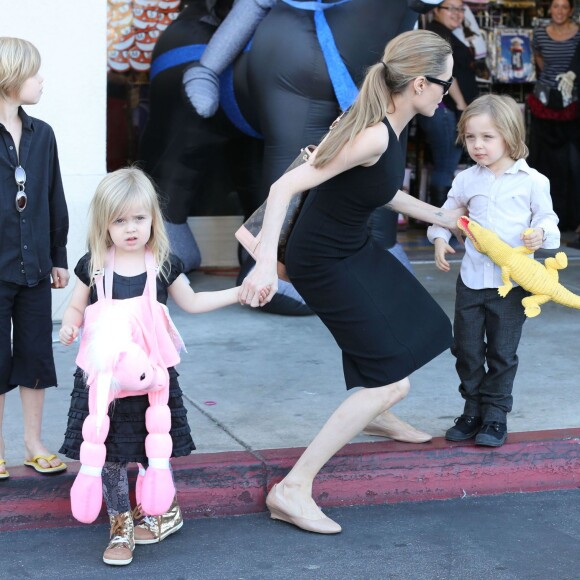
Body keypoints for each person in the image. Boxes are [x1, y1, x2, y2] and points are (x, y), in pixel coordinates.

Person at [239, 29, 466, 534]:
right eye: (447, 84)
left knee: (424, 328)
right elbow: (283, 187)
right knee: (391, 378)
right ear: (420, 84)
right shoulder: (373, 133)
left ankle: (374, 409)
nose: (450, 93)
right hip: (323, 260)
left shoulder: (395, 121)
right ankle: (292, 489)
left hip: (352, 247)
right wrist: (262, 263)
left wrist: (447, 218)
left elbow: (379, 189)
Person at [58, 167, 244, 566]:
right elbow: (76, 305)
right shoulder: (94, 265)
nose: (130, 228)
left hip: (150, 382)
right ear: (104, 224)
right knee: (108, 455)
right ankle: (120, 525)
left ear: (153, 220)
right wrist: (72, 325)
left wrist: (238, 292)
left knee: (149, 449)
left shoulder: (162, 263)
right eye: (119, 220)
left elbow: (192, 302)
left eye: (139, 218)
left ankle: (164, 511)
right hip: (104, 384)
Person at [427, 94, 560, 448]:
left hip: (512, 285)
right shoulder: (467, 180)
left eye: (488, 137)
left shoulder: (532, 181)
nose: (477, 145)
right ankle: (472, 409)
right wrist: (440, 237)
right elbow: (445, 214)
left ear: (510, 136)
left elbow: (548, 219)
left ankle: (496, 414)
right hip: (471, 280)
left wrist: (540, 234)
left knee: (502, 351)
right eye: (471, 137)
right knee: (467, 349)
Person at [0, 37, 69, 480]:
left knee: (35, 357)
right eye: (34, 73)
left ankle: (33, 443)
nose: (41, 80)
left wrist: (59, 256)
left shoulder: (43, 134)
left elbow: (52, 198)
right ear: (9, 79)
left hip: (35, 268)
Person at [417, 0, 480, 207]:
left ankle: (437, 220)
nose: (457, 13)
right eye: (451, 8)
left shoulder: (444, 33)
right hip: (446, 111)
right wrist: (462, 105)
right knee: (445, 165)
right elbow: (445, 74)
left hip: (446, 111)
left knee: (444, 164)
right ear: (436, 9)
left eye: (461, 9)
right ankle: (439, 221)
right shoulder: (437, 34)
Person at [528, 0, 580, 233]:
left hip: (572, 101)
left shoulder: (579, 34)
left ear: (570, 10)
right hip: (544, 101)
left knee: (572, 162)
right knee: (542, 161)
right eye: (555, 6)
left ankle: (571, 216)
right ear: (550, 9)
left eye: (563, 7)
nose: (559, 11)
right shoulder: (539, 34)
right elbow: (540, 63)